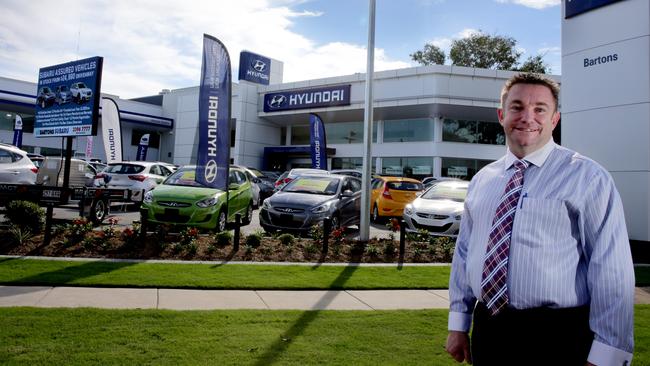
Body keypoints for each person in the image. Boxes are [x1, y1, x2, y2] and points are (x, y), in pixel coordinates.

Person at [446, 73, 634, 366]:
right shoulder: (483, 180)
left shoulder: (588, 177)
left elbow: (611, 269)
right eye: (517, 107)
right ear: (501, 115)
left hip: (558, 335)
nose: (527, 117)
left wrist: (608, 353)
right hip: (490, 328)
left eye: (540, 109)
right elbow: (465, 253)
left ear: (555, 119)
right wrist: (459, 324)